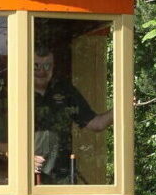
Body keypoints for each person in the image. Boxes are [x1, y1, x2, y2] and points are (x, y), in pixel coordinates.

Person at [33, 46, 112, 183]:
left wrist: (124, 106)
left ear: (53, 67)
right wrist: (24, 160)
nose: (41, 70)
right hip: (27, 181)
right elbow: (2, 146)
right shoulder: (15, 92)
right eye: (36, 65)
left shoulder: (64, 90)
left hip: (62, 179)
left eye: (47, 65)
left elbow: (96, 123)